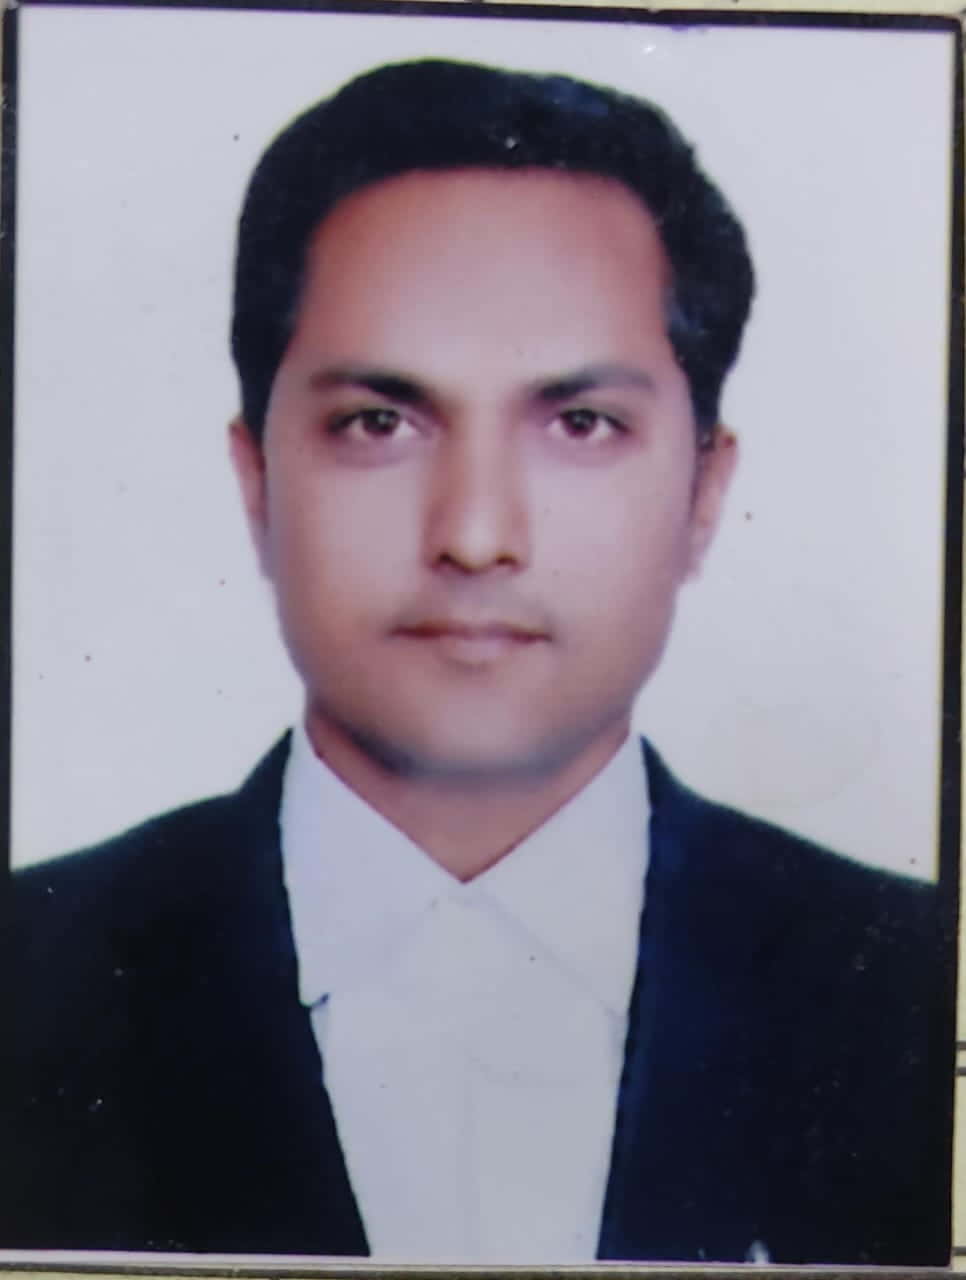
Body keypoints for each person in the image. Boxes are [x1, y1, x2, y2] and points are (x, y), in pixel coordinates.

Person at [4, 58, 950, 1265]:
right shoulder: (29, 975)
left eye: (581, 423)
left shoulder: (920, 988)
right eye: (379, 422)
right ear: (258, 480)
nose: (476, 534)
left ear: (706, 490)